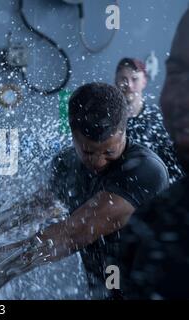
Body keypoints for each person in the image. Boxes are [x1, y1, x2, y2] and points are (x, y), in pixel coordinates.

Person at [0, 83, 169, 299]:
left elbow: (70, 234)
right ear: (73, 136)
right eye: (89, 151)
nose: (99, 161)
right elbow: (32, 208)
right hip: (109, 286)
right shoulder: (68, 165)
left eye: (109, 152)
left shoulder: (144, 172)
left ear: (123, 131)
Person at [119, 9, 189, 299]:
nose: (182, 99)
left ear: (144, 83)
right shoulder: (155, 225)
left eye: (132, 79)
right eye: (176, 73)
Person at [115, 57, 184, 183]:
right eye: (123, 79)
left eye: (134, 79)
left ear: (144, 81)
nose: (129, 85)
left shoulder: (159, 120)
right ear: (116, 81)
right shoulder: (111, 121)